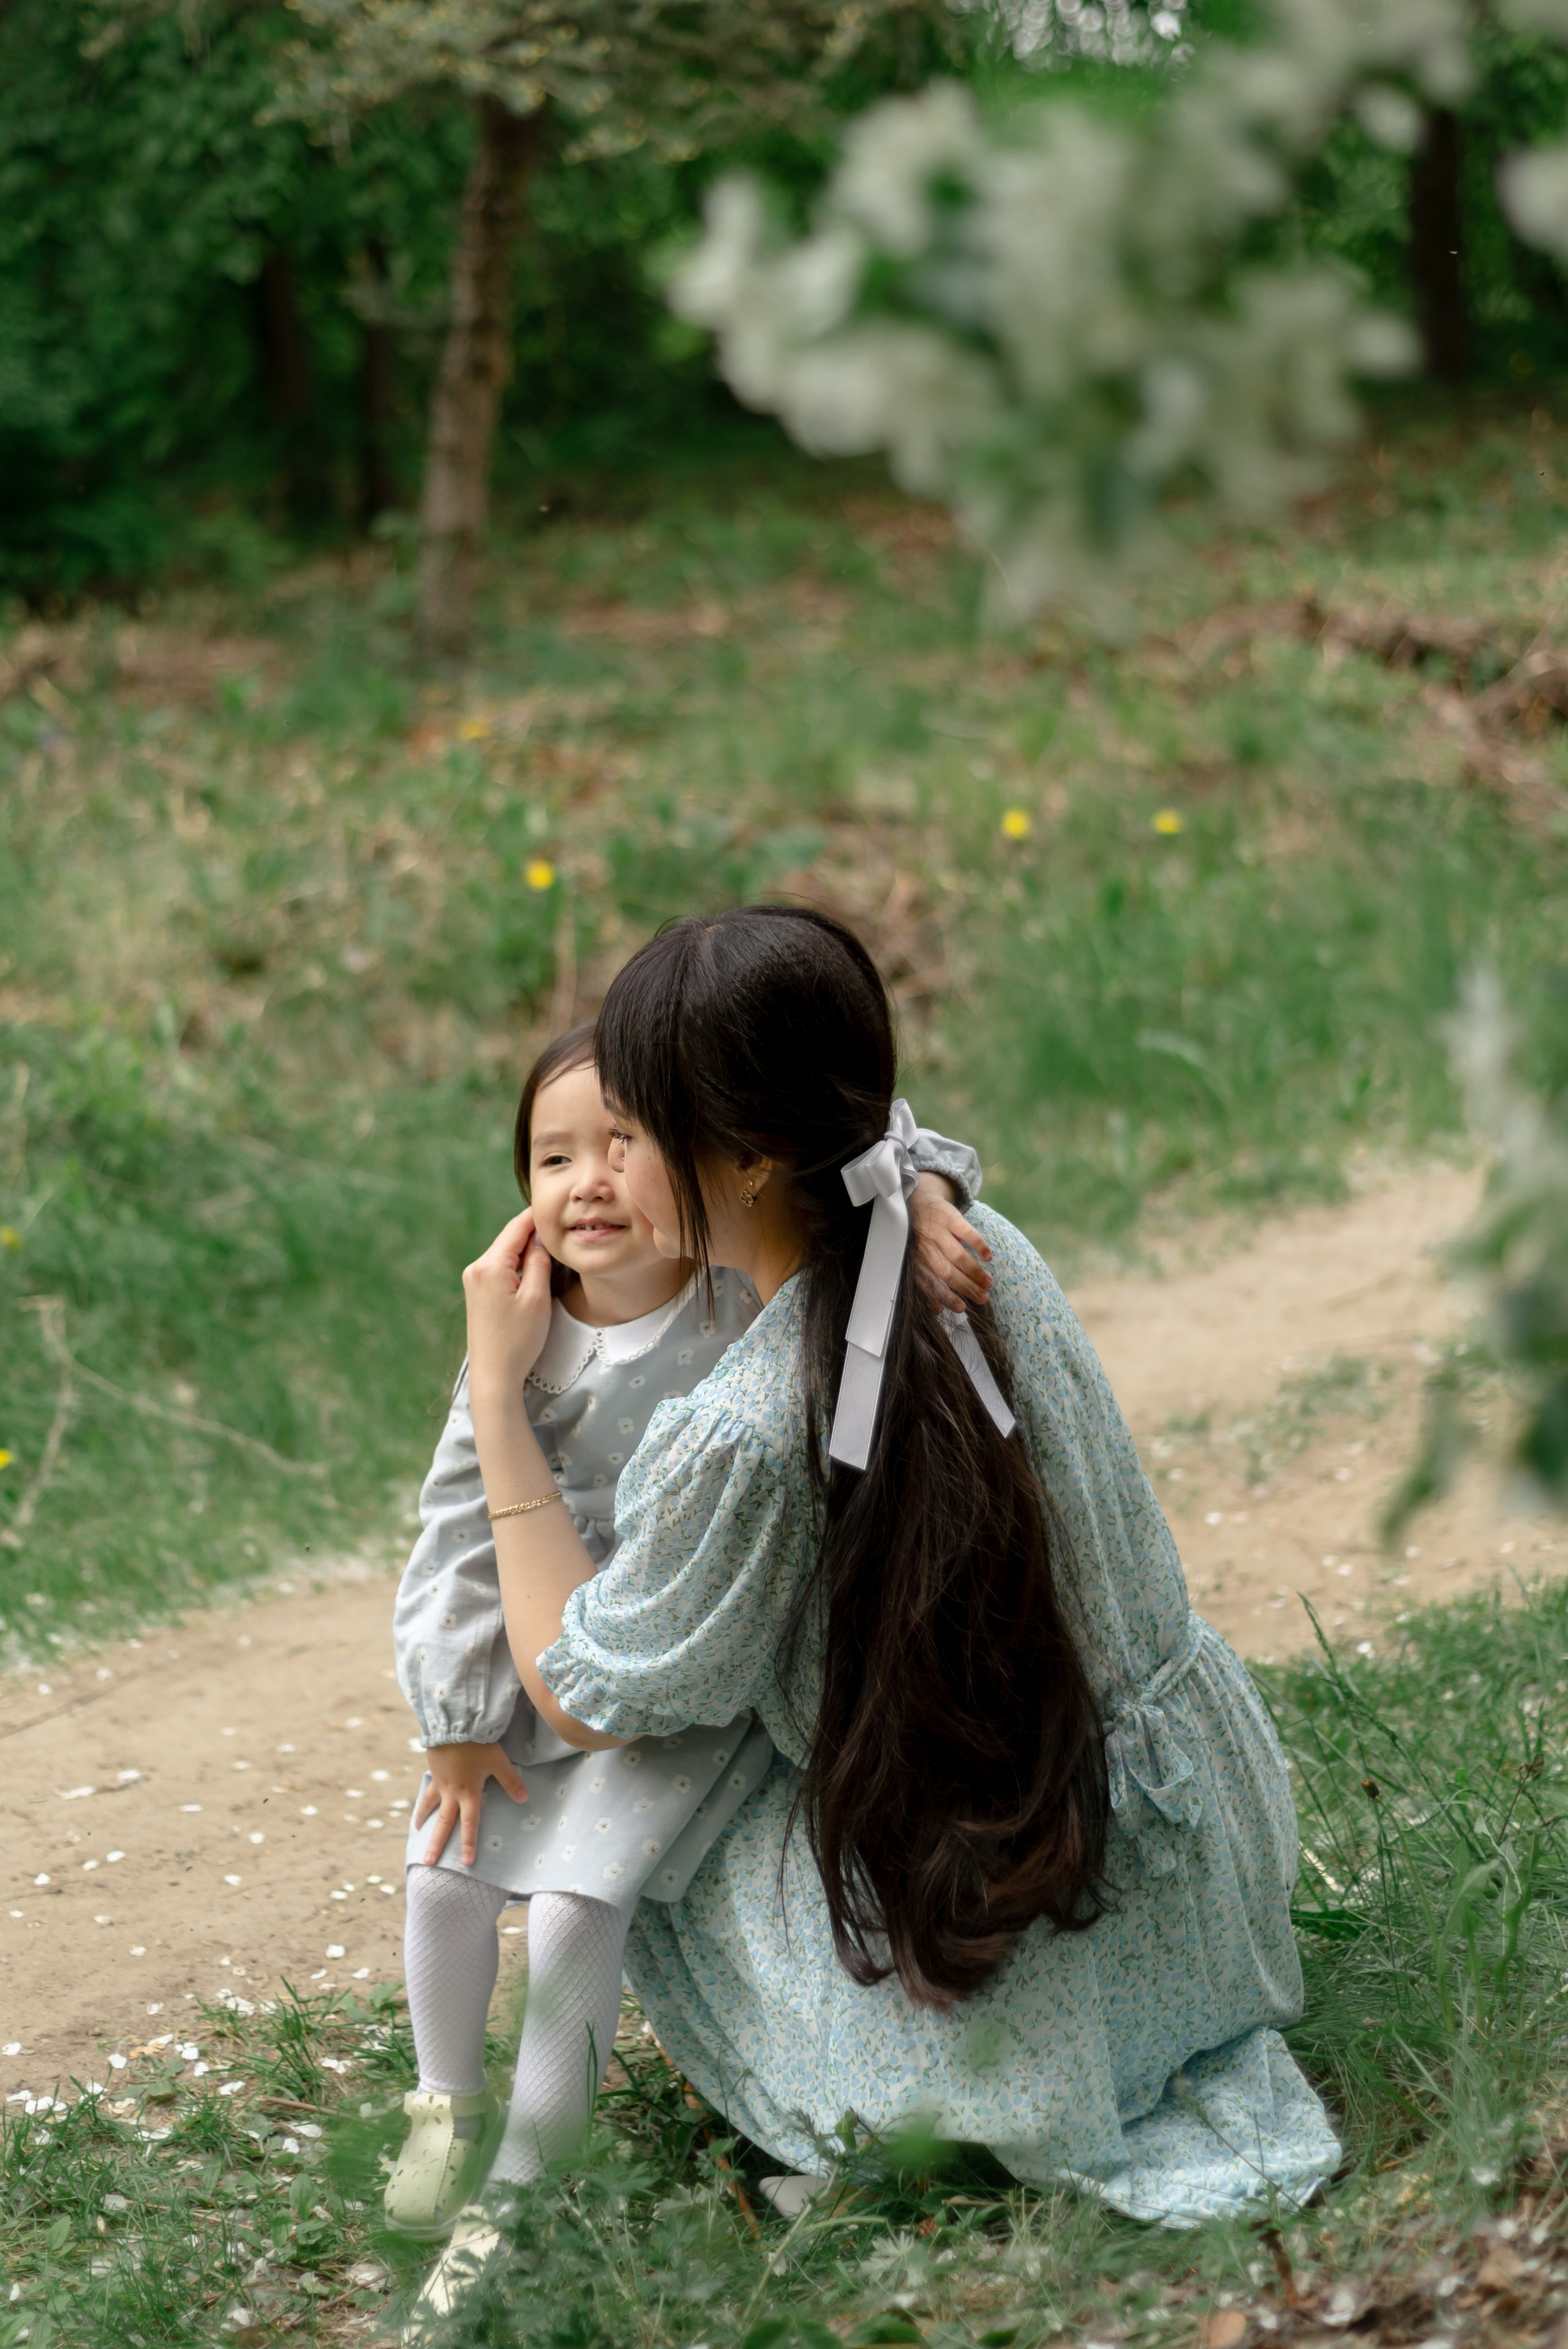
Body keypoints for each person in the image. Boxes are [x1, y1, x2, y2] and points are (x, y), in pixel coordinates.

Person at [422, 905, 1339, 2322]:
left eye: (639, 1126)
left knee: (653, 1812)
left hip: (1005, 1968)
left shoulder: (743, 1425)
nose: (604, 1163)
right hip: (1185, 1872)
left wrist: (495, 1396)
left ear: (747, 1155)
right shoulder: (975, 1244)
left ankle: (896, 2108)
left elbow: (582, 1687)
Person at [387, 1017, 988, 2242]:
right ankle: (442, 2106)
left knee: (568, 1907)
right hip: (543, 1660)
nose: (587, 1181)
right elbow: (456, 1528)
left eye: (623, 1142)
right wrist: (453, 1718)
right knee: (442, 1876)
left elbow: (866, 1145)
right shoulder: (523, 1340)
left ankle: (529, 2167)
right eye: (552, 1160)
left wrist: (918, 1200)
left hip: (679, 1672)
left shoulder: (735, 1290)